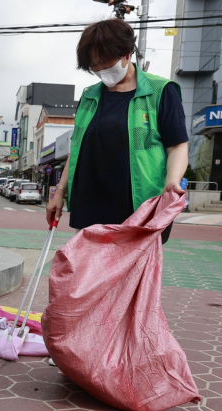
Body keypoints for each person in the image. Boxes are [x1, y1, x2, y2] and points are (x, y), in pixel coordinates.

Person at [45, 19, 188, 244]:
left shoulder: (160, 91)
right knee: (88, 277)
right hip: (90, 207)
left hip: (139, 209)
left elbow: (177, 145)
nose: (101, 70)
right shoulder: (89, 96)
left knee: (133, 279)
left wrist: (172, 182)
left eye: (105, 62)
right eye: (94, 66)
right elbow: (77, 148)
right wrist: (60, 192)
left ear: (126, 52)